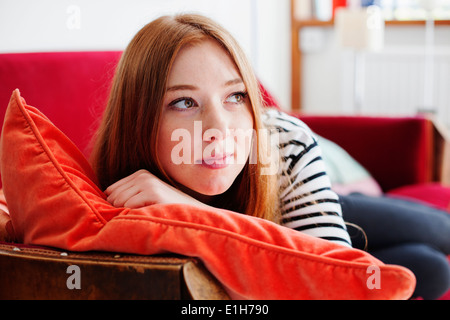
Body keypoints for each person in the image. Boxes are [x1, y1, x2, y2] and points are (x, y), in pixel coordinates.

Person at [89, 13, 352, 251]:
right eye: (184, 102)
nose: (219, 129)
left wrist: (193, 212)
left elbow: (336, 278)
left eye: (236, 96)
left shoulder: (286, 143)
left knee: (394, 223)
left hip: (310, 197)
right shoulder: (119, 192)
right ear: (137, 118)